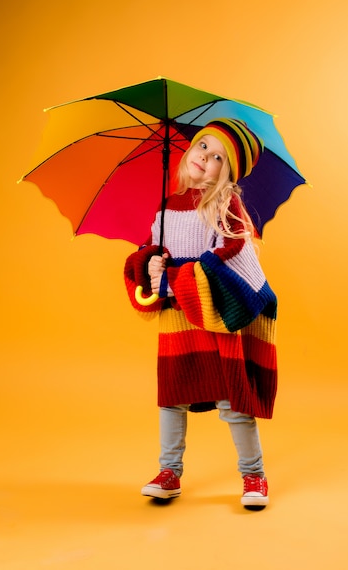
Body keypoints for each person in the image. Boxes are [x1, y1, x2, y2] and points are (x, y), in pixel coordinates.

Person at [124, 118, 277, 508]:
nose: (205, 157)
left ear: (227, 172)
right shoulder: (165, 208)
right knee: (172, 395)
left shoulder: (226, 204)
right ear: (188, 151)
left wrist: (177, 277)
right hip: (177, 320)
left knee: (232, 399)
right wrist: (152, 264)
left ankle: (254, 475)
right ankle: (169, 471)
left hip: (213, 316)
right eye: (203, 147)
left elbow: (228, 256)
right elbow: (150, 253)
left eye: (217, 157)